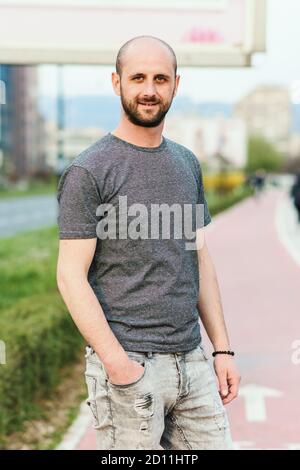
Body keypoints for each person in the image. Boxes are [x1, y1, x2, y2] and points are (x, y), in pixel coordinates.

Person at [56, 35, 241, 450]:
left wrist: (222, 351)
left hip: (192, 361)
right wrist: (117, 365)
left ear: (176, 84)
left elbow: (199, 260)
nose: (149, 90)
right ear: (116, 82)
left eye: (160, 78)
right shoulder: (88, 171)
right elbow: (70, 276)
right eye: (137, 77)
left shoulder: (186, 163)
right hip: (130, 366)